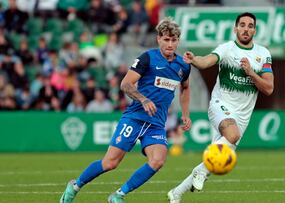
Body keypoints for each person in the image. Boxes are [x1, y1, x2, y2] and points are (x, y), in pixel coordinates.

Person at [59, 17, 192, 203]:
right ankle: (75, 186)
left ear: (178, 40)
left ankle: (118, 195)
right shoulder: (148, 58)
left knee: (158, 160)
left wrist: (185, 114)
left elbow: (185, 88)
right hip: (135, 117)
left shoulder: (183, 65)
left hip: (156, 123)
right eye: (166, 39)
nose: (170, 44)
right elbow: (126, 84)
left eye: (174, 40)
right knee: (110, 163)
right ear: (159, 39)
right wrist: (143, 99)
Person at [167, 12, 274, 203]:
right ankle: (198, 173)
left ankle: (176, 193)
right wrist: (194, 59)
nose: (246, 29)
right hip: (220, 105)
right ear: (235, 28)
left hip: (243, 117)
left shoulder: (263, 54)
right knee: (232, 135)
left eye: (250, 26)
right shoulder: (227, 49)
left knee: (214, 163)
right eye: (242, 25)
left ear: (254, 30)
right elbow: (207, 61)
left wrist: (250, 72)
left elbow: (268, 88)